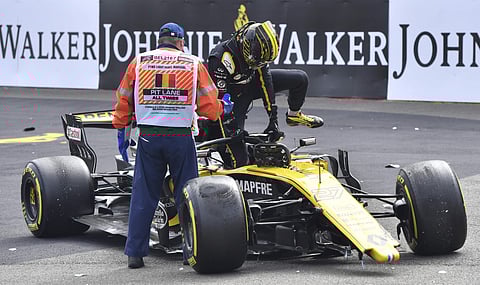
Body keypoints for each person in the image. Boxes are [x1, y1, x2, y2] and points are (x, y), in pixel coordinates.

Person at [112, 22, 232, 269]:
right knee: (188, 194)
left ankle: (135, 253)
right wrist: (224, 107)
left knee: (144, 194)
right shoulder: (193, 63)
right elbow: (210, 108)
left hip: (149, 137)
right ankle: (191, 251)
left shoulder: (139, 62)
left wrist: (121, 127)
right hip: (180, 137)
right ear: (180, 42)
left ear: (159, 40)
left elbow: (124, 98)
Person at [205, 20, 323, 168]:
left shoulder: (259, 53)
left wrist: (273, 119)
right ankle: (237, 150)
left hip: (250, 84)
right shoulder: (221, 59)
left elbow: (265, 83)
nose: (259, 65)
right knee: (238, 160)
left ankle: (294, 115)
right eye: (258, 62)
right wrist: (234, 132)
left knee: (300, 79)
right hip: (231, 98)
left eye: (263, 63)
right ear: (246, 46)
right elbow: (221, 102)